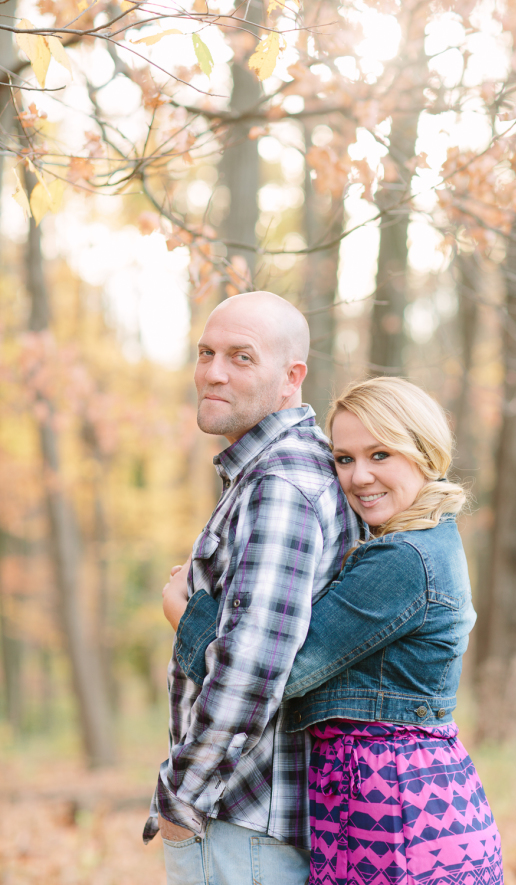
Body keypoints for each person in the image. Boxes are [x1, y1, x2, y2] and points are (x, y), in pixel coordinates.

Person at [175, 376, 504, 885]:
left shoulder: (404, 559)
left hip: (395, 811)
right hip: (380, 799)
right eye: (345, 459)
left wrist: (189, 617)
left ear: (424, 453)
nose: (359, 477)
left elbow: (276, 676)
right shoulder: (422, 541)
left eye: (380, 455)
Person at [144, 291, 362, 885]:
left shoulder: (282, 486)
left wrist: (179, 798)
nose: (213, 372)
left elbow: (254, 666)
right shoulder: (282, 472)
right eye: (206, 352)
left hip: (239, 823)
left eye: (242, 357)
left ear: (292, 378)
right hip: (249, 823)